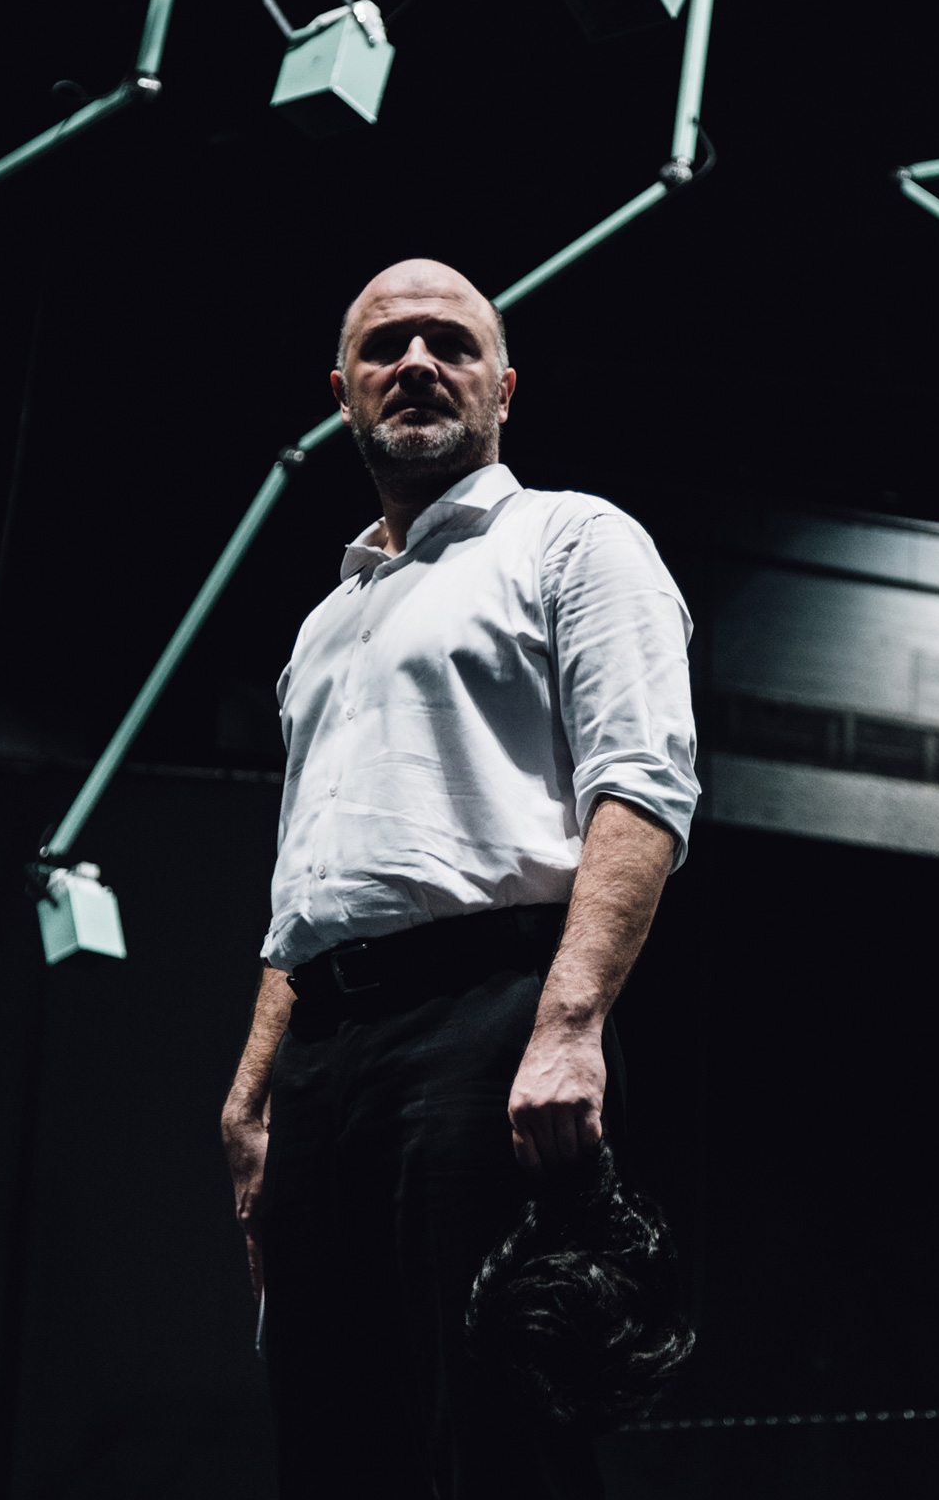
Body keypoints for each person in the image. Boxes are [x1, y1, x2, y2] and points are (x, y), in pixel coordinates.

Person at [221, 258, 698, 1499]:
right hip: (324, 1051)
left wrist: (569, 1026)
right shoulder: (326, 621)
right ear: (343, 392)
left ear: (503, 386)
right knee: (330, 1441)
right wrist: (255, 1092)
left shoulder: (576, 539)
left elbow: (641, 790)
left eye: (451, 342)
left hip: (488, 1021)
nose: (418, 363)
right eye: (386, 347)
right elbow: (308, 880)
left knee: (494, 1434)